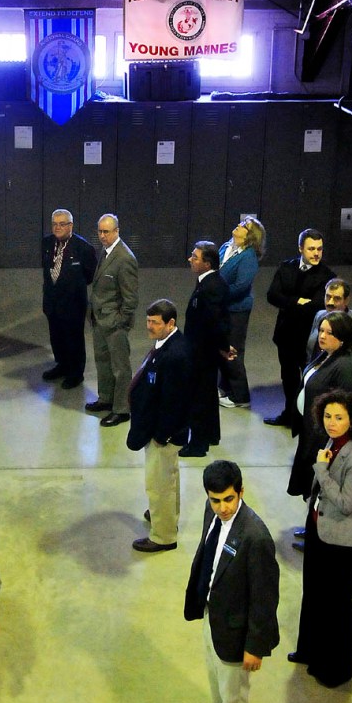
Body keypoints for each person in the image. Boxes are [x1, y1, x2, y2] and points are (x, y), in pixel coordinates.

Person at [184, 460, 279, 703]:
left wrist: (255, 646)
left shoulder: (256, 537)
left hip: (238, 631)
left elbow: (265, 599)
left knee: (232, 696)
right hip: (215, 616)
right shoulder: (213, 514)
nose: (222, 507)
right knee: (222, 688)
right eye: (215, 500)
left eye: (228, 499)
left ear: (241, 491)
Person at [288, 390, 352, 688]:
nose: (332, 423)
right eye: (327, 416)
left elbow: (346, 503)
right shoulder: (332, 443)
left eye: (339, 417)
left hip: (342, 543)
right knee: (313, 594)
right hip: (319, 531)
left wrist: (321, 470)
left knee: (336, 605)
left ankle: (335, 670)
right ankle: (309, 650)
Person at [127, 299, 191, 553]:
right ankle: (166, 519)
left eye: (155, 322)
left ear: (171, 323)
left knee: (159, 484)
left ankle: (163, 537)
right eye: (148, 321)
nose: (149, 327)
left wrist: (162, 435)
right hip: (159, 431)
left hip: (162, 434)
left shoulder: (176, 355)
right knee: (168, 478)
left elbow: (174, 403)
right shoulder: (167, 344)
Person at [288, 311, 352, 502]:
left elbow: (351, 402)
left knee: (319, 484)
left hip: (324, 437)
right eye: (321, 330)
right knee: (309, 481)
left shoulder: (345, 366)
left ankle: (317, 528)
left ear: (342, 337)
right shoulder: (325, 355)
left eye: (329, 333)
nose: (322, 336)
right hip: (311, 429)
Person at [265, 228, 335, 427]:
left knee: (310, 379)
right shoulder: (286, 267)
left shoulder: (327, 275)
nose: (316, 253)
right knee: (288, 377)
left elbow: (317, 305)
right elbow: (272, 295)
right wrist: (298, 301)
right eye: (311, 248)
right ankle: (290, 414)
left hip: (310, 337)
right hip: (285, 335)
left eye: (320, 249)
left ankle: (308, 419)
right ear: (300, 248)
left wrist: (289, 302)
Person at [174, 242, 233, 458]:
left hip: (202, 353)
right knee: (207, 395)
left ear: (207, 264)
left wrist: (224, 347)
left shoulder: (212, 287)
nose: (190, 259)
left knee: (199, 397)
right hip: (204, 350)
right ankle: (210, 435)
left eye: (195, 257)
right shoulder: (208, 283)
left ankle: (198, 444)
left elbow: (216, 322)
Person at [86, 213, 138, 426]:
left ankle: (122, 409)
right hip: (100, 320)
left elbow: (130, 297)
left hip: (114, 322)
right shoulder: (107, 253)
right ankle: (106, 398)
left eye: (106, 231)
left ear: (117, 231)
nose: (102, 235)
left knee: (120, 367)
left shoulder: (125, 258)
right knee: (102, 362)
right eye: (99, 231)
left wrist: (121, 321)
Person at [41, 208, 97, 389]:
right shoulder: (47, 243)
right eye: (54, 224)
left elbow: (90, 276)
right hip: (52, 302)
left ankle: (75, 373)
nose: (57, 227)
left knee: (74, 339)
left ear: (71, 225)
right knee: (56, 337)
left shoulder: (84, 248)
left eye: (62, 224)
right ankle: (62, 365)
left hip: (73, 304)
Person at [306, 278, 352, 406]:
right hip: (314, 396)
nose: (330, 303)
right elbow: (311, 354)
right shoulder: (319, 316)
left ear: (346, 300)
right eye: (328, 297)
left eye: (336, 299)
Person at [218, 216, 266, 409]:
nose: (238, 226)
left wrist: (217, 295)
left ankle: (240, 396)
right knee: (221, 348)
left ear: (251, 236)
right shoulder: (225, 247)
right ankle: (225, 388)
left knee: (233, 351)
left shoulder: (248, 257)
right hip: (222, 308)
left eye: (244, 226)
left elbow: (240, 286)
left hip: (236, 310)